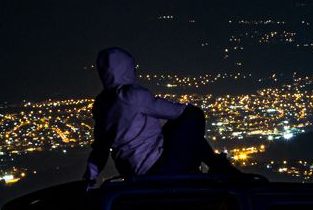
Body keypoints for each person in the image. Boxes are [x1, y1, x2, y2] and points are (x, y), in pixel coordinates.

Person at [83, 47, 239, 186]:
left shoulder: (101, 103)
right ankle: (215, 166)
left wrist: (89, 179)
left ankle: (215, 165)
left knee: (181, 132)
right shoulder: (134, 95)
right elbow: (177, 112)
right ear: (127, 69)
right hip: (158, 166)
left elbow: (100, 149)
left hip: (132, 172)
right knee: (193, 115)